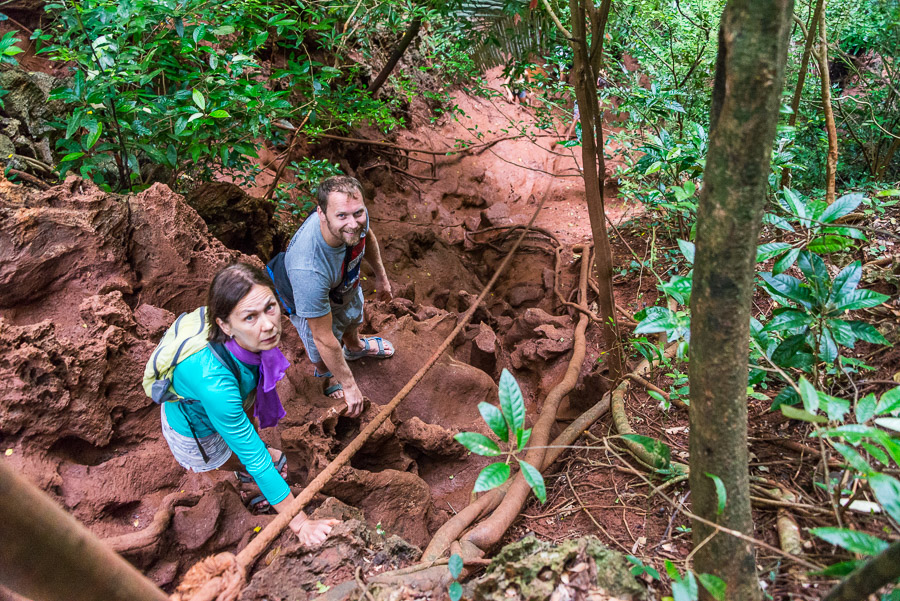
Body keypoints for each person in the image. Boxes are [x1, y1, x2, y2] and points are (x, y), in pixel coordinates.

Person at [159, 263, 338, 547]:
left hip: (228, 399)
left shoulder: (247, 343)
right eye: (250, 317)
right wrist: (302, 524)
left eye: (270, 307)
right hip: (196, 430)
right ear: (224, 325)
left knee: (253, 445)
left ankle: (255, 481)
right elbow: (257, 458)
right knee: (264, 459)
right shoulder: (214, 383)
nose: (267, 324)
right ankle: (250, 483)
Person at [284, 176, 394, 418]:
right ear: (322, 214)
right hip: (309, 297)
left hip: (344, 284)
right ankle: (328, 375)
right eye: (342, 216)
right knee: (320, 350)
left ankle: (354, 346)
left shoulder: (355, 215)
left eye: (358, 213)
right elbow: (323, 337)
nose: (353, 223)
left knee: (353, 316)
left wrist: (381, 277)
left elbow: (367, 236)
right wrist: (350, 385)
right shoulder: (308, 269)